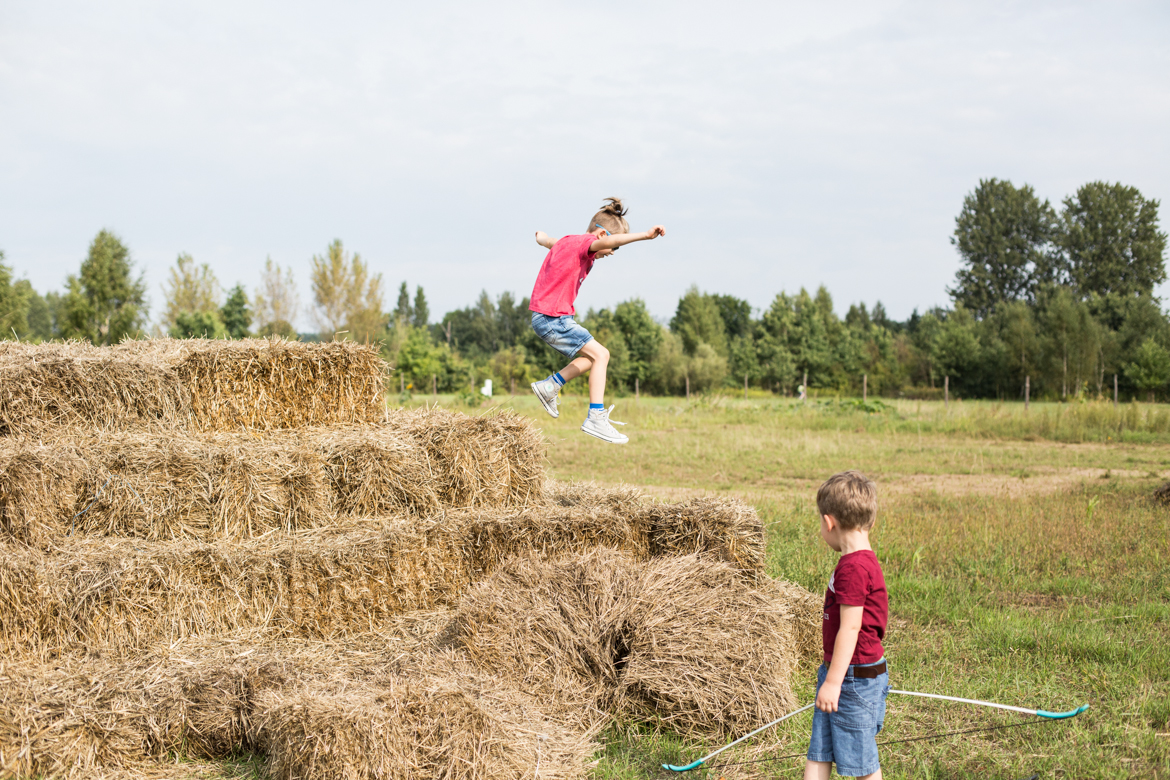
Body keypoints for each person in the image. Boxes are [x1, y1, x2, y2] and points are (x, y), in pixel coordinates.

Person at [528, 197, 665, 444]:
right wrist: (645, 235)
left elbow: (546, 240)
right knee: (602, 355)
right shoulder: (587, 243)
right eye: (612, 248)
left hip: (545, 318)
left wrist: (540, 236)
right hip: (553, 318)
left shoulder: (566, 243)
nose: (609, 253)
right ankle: (595, 417)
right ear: (601, 234)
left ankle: (550, 386)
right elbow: (608, 241)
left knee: (591, 359)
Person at [805, 470, 890, 780]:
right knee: (821, 749)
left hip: (853, 678)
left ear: (830, 522)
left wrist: (833, 683)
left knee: (860, 759)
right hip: (842, 672)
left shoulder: (853, 568)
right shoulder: (858, 561)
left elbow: (850, 628)